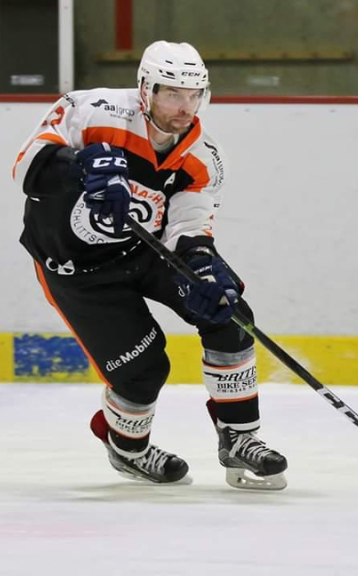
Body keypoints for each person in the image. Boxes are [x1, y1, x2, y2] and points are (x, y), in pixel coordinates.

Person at [13, 40, 287, 490]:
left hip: (148, 251)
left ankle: (239, 436)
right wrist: (80, 165)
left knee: (228, 311)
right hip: (78, 270)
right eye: (172, 94)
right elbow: (25, 167)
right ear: (146, 89)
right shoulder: (93, 110)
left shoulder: (203, 155)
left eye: (193, 95)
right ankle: (127, 449)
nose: (184, 107)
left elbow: (189, 226)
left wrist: (201, 266)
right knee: (143, 370)